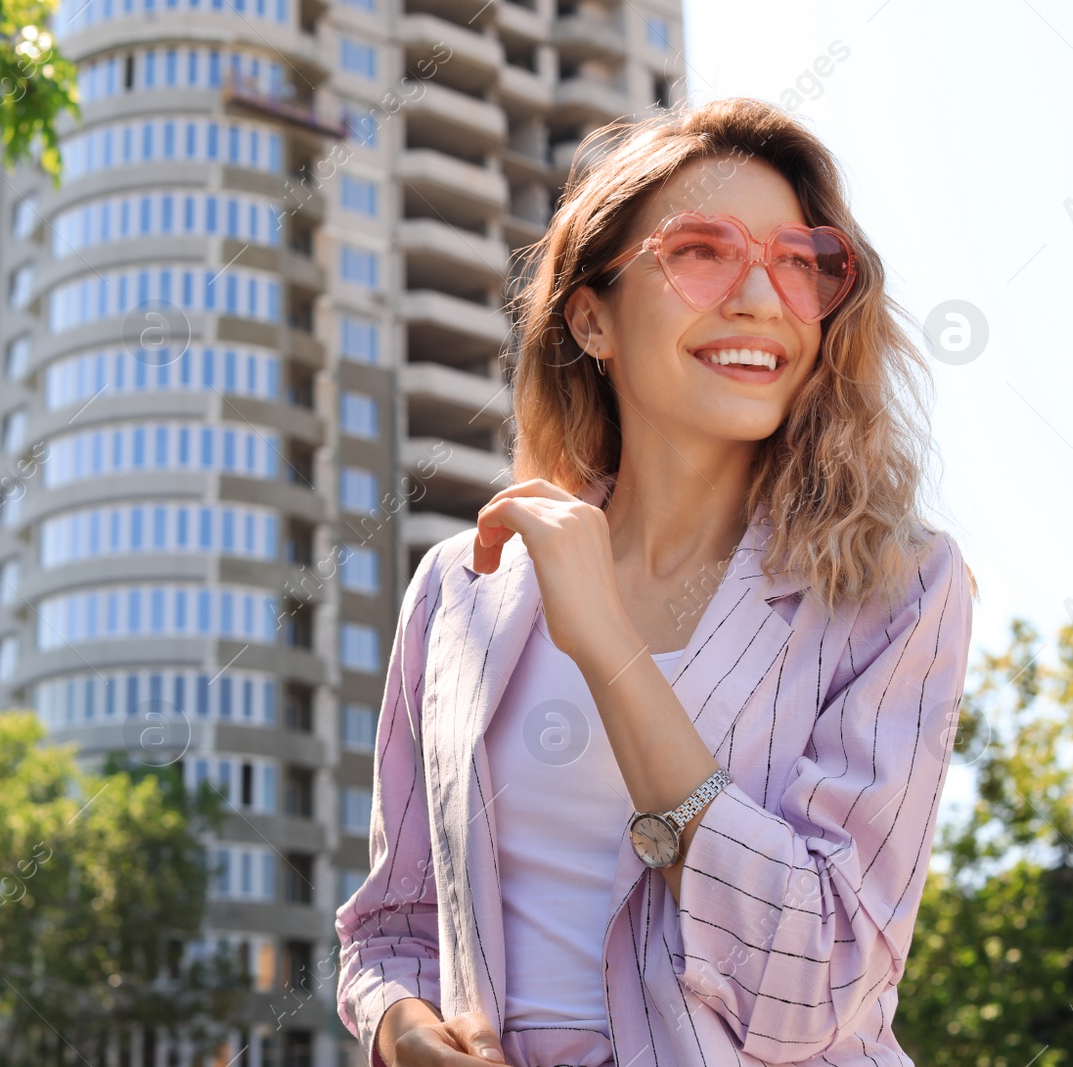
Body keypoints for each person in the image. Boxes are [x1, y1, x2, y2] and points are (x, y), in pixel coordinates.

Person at [333, 97, 978, 1067]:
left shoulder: (898, 588)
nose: (762, 298)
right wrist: (405, 1032)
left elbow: (817, 983)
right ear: (591, 314)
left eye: (798, 262)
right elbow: (391, 931)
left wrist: (606, 643)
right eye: (702, 251)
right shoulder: (461, 589)